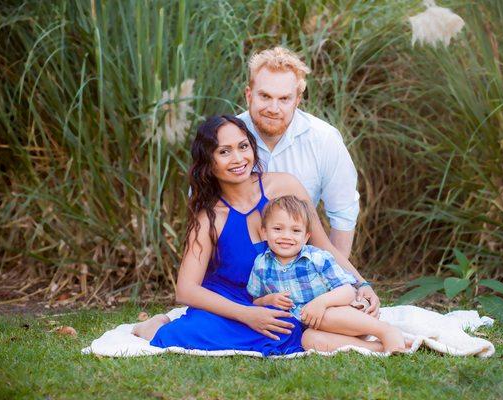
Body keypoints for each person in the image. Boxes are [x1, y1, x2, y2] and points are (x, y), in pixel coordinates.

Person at [132, 115, 384, 354]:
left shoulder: (285, 186)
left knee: (298, 321)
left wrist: (361, 284)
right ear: (208, 162)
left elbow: (322, 244)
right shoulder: (210, 217)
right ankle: (154, 325)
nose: (238, 158)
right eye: (224, 151)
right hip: (231, 302)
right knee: (191, 333)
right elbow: (185, 290)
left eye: (243, 146)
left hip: (284, 296)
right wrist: (247, 314)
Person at [237, 47, 358, 260]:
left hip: (298, 259)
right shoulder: (226, 137)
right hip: (236, 259)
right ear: (249, 95)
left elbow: (343, 213)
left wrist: (335, 276)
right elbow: (203, 207)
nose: (273, 108)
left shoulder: (324, 139)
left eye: (284, 99)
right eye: (265, 96)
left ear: (297, 100)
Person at [248, 196, 407, 353]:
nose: (286, 236)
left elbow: (348, 291)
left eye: (295, 230)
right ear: (264, 232)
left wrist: (321, 303)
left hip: (350, 318)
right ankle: (376, 348)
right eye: (277, 229)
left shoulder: (317, 258)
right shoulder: (261, 265)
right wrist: (268, 300)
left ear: (306, 236)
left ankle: (386, 331)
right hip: (317, 327)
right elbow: (255, 301)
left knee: (326, 315)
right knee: (309, 340)